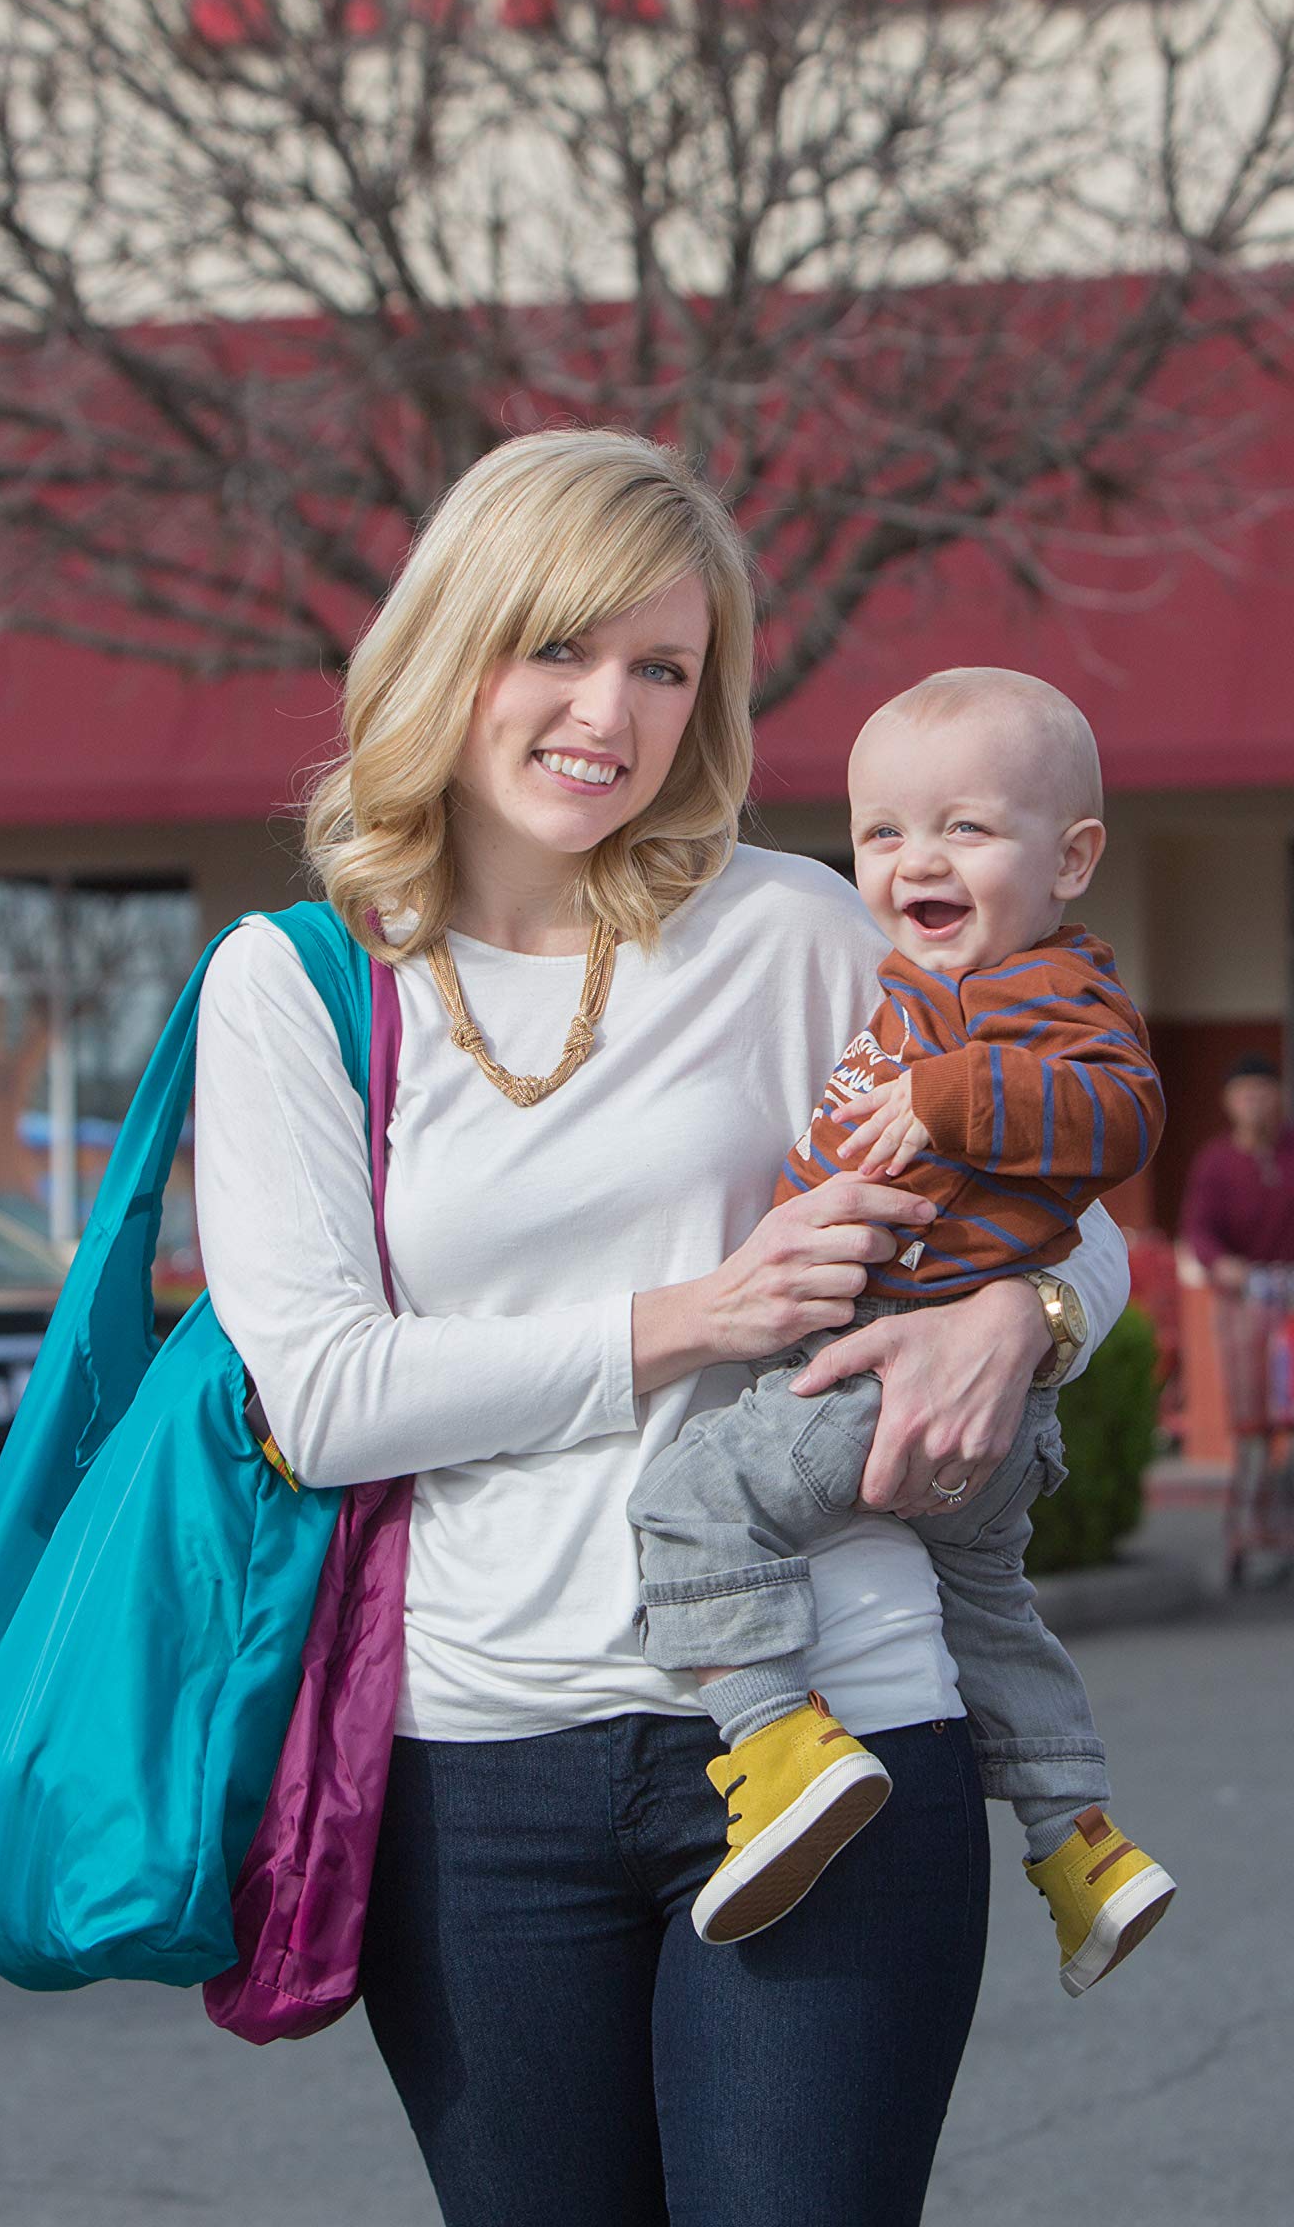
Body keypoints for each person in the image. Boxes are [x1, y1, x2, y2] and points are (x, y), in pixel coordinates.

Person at [191, 431, 1130, 2227]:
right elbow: (319, 1397)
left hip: (839, 1728)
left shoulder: (793, 931)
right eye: (556, 646)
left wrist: (1016, 1315)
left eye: (661, 668)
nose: (603, 713)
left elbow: (1076, 1220)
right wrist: (683, 1319)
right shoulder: (297, 987)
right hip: (474, 1777)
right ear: (449, 645)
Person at [627, 667, 1177, 1997]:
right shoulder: (915, 982)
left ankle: (775, 1741)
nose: (915, 861)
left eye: (965, 830)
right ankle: (1080, 1843)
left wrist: (955, 1095)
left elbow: (1125, 1121)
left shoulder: (1049, 999)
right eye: (882, 835)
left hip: (895, 1364)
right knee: (988, 1617)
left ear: (1074, 858)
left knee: (693, 1495)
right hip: (959, 1415)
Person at [1181, 1053, 1294, 1522]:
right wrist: (1221, 1265)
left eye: (1263, 1093)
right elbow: (1198, 1228)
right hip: (1245, 1302)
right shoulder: (1216, 1162)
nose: (1254, 1104)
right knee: (1253, 1416)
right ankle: (1255, 1510)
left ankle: (1284, 1500)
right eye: (1245, 1095)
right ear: (1228, 1103)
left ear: (1279, 1097)